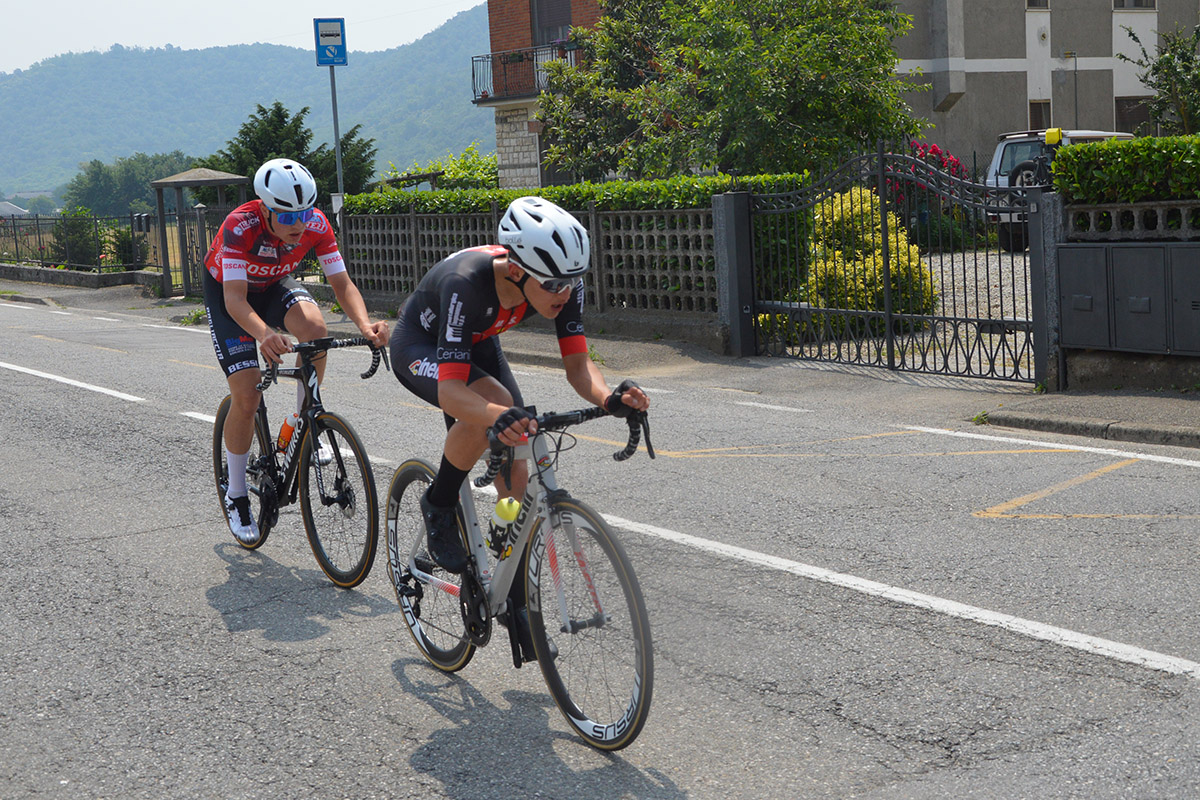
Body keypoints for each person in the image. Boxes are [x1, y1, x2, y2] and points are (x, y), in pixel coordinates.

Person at [389, 195, 648, 661]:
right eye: (552, 284)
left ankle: (501, 569)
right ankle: (439, 501)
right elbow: (451, 393)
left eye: (572, 282)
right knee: (496, 408)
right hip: (422, 345)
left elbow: (578, 367)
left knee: (517, 475)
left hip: (478, 341)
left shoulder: (558, 283)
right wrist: (494, 416)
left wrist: (609, 398)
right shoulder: (465, 283)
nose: (563, 294)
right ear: (515, 270)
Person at [204, 158, 389, 545]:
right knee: (248, 391)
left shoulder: (317, 224)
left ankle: (305, 419)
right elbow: (236, 301)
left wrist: (364, 325)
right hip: (230, 295)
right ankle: (236, 493)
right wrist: (264, 334)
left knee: (315, 329)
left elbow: (341, 283)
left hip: (272, 286)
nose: (298, 223)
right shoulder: (240, 226)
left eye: (304, 213)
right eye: (287, 216)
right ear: (265, 209)